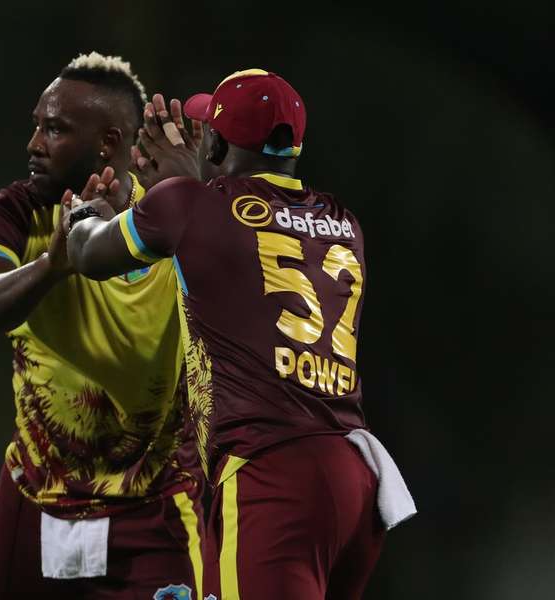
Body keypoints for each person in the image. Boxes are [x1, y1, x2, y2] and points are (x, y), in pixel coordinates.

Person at [66, 68, 416, 600]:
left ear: (219, 143)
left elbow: (89, 255)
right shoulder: (345, 222)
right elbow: (242, 249)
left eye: (208, 129)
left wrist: (85, 215)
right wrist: (194, 185)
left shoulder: (187, 204)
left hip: (271, 475)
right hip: (355, 480)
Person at [0, 52, 204, 600]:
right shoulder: (14, 215)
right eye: (36, 125)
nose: (34, 144)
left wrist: (197, 202)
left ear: (108, 143)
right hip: (36, 498)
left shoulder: (172, 222)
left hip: (154, 509)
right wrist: (52, 265)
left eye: (55, 129)